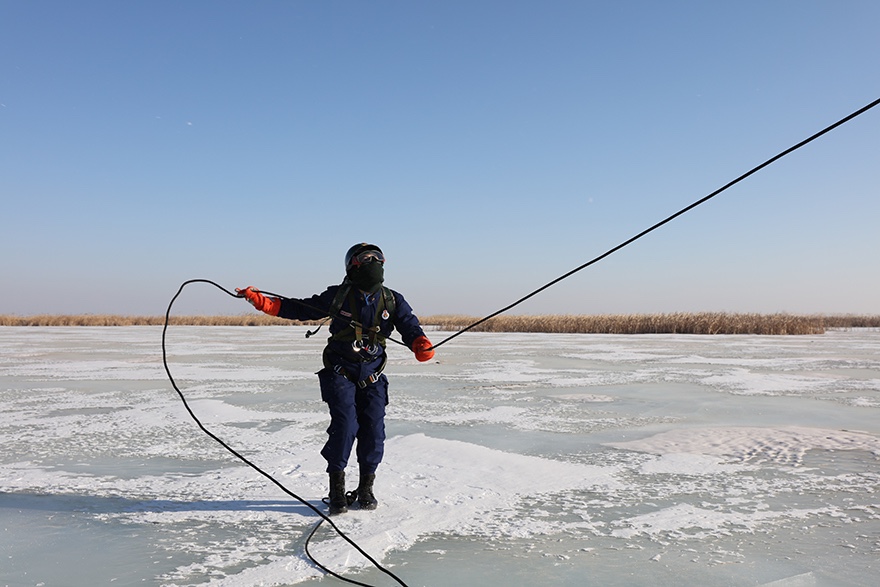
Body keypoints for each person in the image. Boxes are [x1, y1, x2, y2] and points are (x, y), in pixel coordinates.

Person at [237, 243, 435, 515]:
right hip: (340, 371)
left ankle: (366, 489)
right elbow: (300, 308)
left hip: (374, 375)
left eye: (378, 258)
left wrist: (420, 342)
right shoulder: (338, 296)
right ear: (353, 265)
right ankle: (337, 491)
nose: (374, 261)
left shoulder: (393, 300)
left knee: (374, 432)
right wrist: (262, 302)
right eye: (367, 258)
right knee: (345, 427)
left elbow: (410, 326)